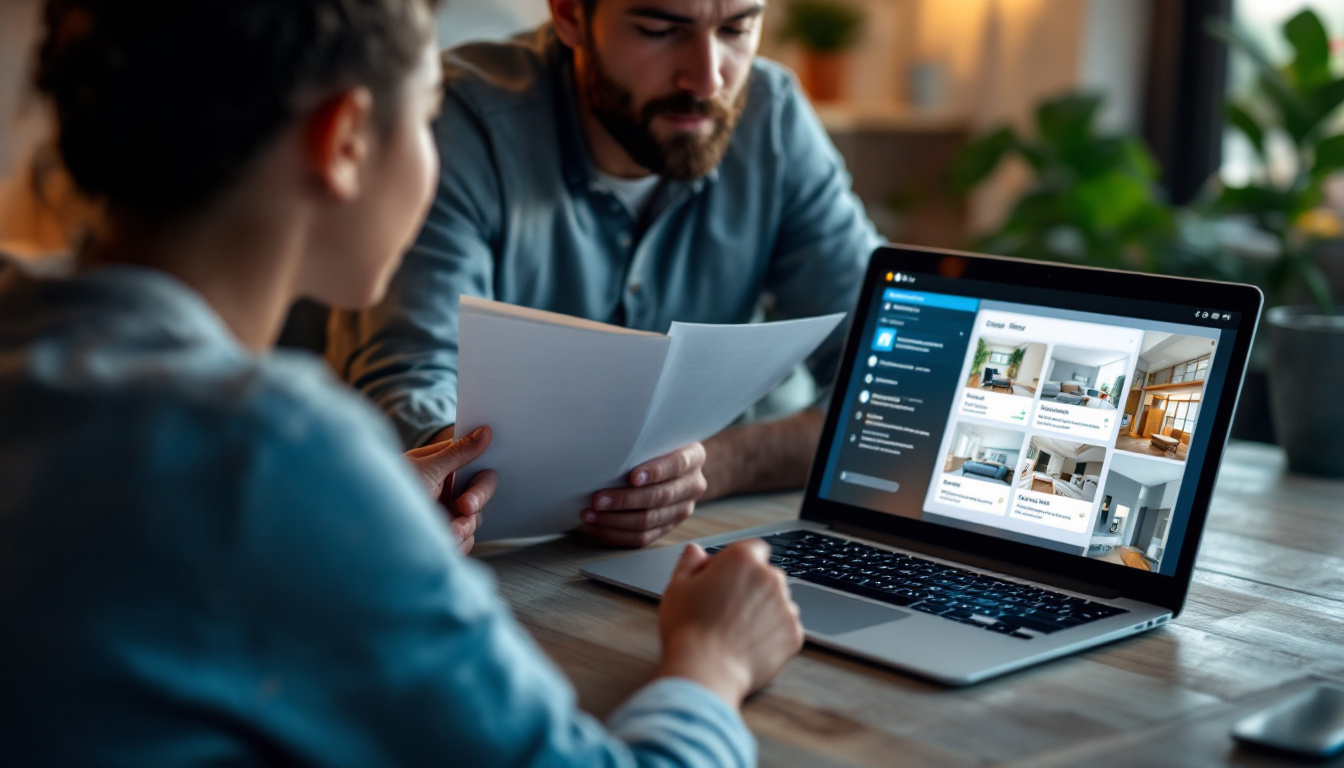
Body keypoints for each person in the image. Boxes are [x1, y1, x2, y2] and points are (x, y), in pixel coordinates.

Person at [0, 1, 803, 764]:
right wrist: (713, 660)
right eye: (425, 120)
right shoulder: (273, 449)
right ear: (345, 139)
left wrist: (368, 492)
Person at [327, 0, 883, 547]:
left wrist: (709, 467)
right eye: (661, 29)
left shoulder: (773, 116)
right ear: (570, 14)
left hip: (727, 533)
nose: (708, 78)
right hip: (505, 553)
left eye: (738, 28)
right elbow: (409, 380)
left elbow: (887, 380)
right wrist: (467, 487)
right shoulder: (463, 120)